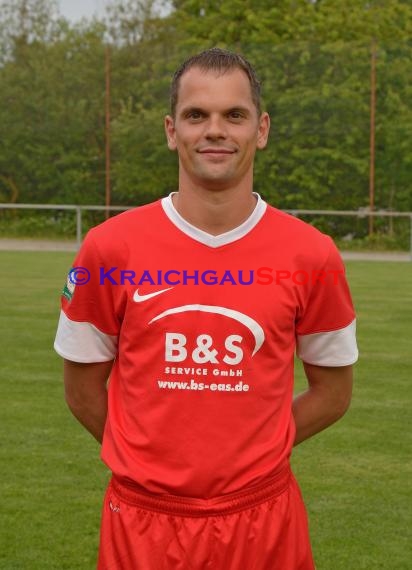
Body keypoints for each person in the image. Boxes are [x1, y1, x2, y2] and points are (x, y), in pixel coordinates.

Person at [54, 47, 358, 570]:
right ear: (172, 130)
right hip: (142, 522)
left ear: (260, 129)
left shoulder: (313, 254)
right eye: (197, 115)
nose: (215, 130)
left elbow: (333, 393)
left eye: (233, 115)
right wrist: (147, 456)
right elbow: (82, 390)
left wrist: (255, 449)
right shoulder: (109, 249)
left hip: (263, 518)